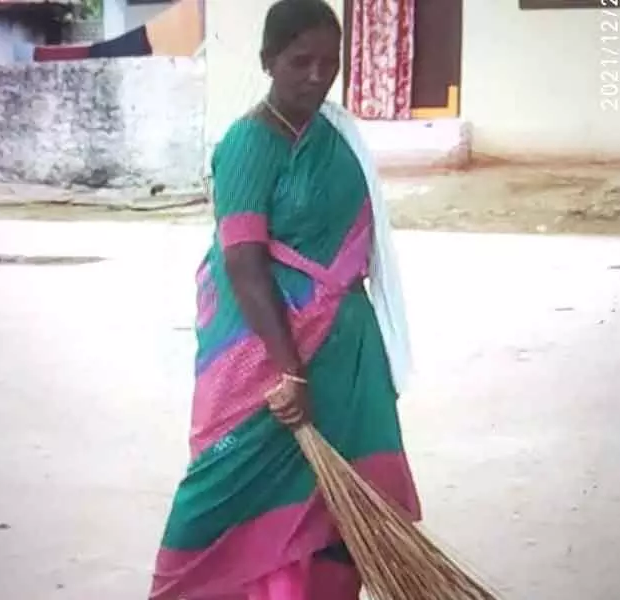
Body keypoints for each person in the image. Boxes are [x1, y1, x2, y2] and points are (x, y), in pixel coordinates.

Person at [149, 1, 420, 598]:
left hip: (347, 353)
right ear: (268, 60)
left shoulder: (338, 136)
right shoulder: (247, 143)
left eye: (330, 63)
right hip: (268, 359)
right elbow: (243, 263)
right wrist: (289, 371)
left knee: (344, 505)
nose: (316, 76)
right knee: (224, 489)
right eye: (300, 61)